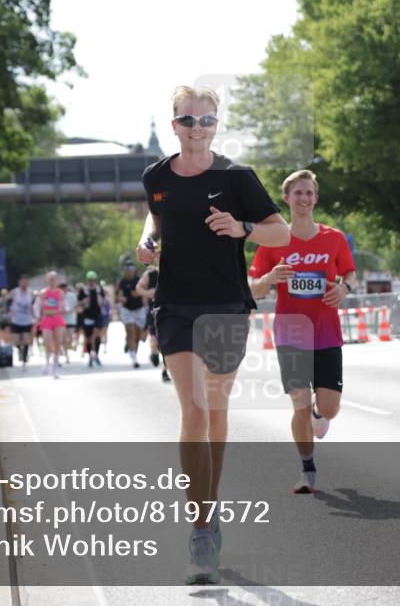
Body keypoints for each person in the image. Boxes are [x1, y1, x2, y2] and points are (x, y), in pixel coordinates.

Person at [136, 85, 290, 584]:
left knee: (217, 412)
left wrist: (242, 227)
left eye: (205, 120)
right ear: (174, 125)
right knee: (195, 410)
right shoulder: (156, 176)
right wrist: (147, 239)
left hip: (226, 305)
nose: (196, 129)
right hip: (176, 306)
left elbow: (281, 232)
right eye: (187, 120)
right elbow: (156, 216)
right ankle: (201, 531)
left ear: (216, 125)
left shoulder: (236, 177)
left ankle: (210, 501)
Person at [248, 169, 356, 495]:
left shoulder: (334, 238)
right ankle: (307, 469)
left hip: (326, 332)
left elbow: (349, 272)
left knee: (330, 407)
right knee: (298, 402)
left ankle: (319, 414)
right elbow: (253, 287)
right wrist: (270, 279)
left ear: (316, 198)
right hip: (291, 333)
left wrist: (344, 288)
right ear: (287, 198)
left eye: (309, 193)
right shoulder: (274, 241)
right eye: (298, 193)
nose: (304, 198)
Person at [136, 261, 170, 382]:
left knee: (169, 344)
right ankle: (154, 353)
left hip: (173, 312)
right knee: (155, 341)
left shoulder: (177, 270)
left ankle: (165, 370)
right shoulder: (151, 274)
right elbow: (138, 288)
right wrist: (148, 293)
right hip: (155, 311)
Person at [35, 271, 67, 378]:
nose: (52, 281)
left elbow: (63, 306)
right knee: (48, 342)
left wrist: (62, 310)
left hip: (57, 319)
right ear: (47, 280)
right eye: (50, 279)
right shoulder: (43, 292)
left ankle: (55, 367)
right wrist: (38, 317)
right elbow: (37, 305)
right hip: (47, 319)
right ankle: (47, 362)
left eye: (54, 279)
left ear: (56, 280)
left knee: (58, 342)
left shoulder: (60, 293)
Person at [117, 262, 147, 368]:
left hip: (139, 309)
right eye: (127, 269)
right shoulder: (122, 281)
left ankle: (133, 350)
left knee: (138, 335)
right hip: (127, 310)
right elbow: (116, 294)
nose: (129, 271)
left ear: (134, 270)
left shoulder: (140, 280)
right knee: (130, 333)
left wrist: (139, 293)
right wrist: (120, 298)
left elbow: (146, 290)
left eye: (131, 269)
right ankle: (134, 358)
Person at [78, 271, 106, 367]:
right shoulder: (83, 290)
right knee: (89, 337)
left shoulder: (99, 289)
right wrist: (84, 301)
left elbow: (103, 300)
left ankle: (95, 354)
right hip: (87, 316)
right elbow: (79, 302)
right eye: (90, 280)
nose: (91, 282)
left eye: (93, 280)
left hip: (97, 315)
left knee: (95, 335)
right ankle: (92, 355)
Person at [8, 276, 35, 364]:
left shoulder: (31, 293)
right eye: (23, 282)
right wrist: (9, 314)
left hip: (27, 319)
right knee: (16, 341)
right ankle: (20, 350)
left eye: (26, 282)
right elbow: (8, 304)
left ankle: (25, 355)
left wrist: (35, 315)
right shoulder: (14, 292)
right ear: (19, 283)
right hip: (16, 319)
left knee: (26, 339)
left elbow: (34, 305)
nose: (24, 284)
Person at [59, 282, 77, 363]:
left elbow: (76, 306)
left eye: (64, 288)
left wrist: (70, 310)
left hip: (71, 319)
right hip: (61, 320)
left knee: (70, 338)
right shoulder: (58, 296)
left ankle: (69, 347)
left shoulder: (72, 296)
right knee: (64, 338)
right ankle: (67, 356)